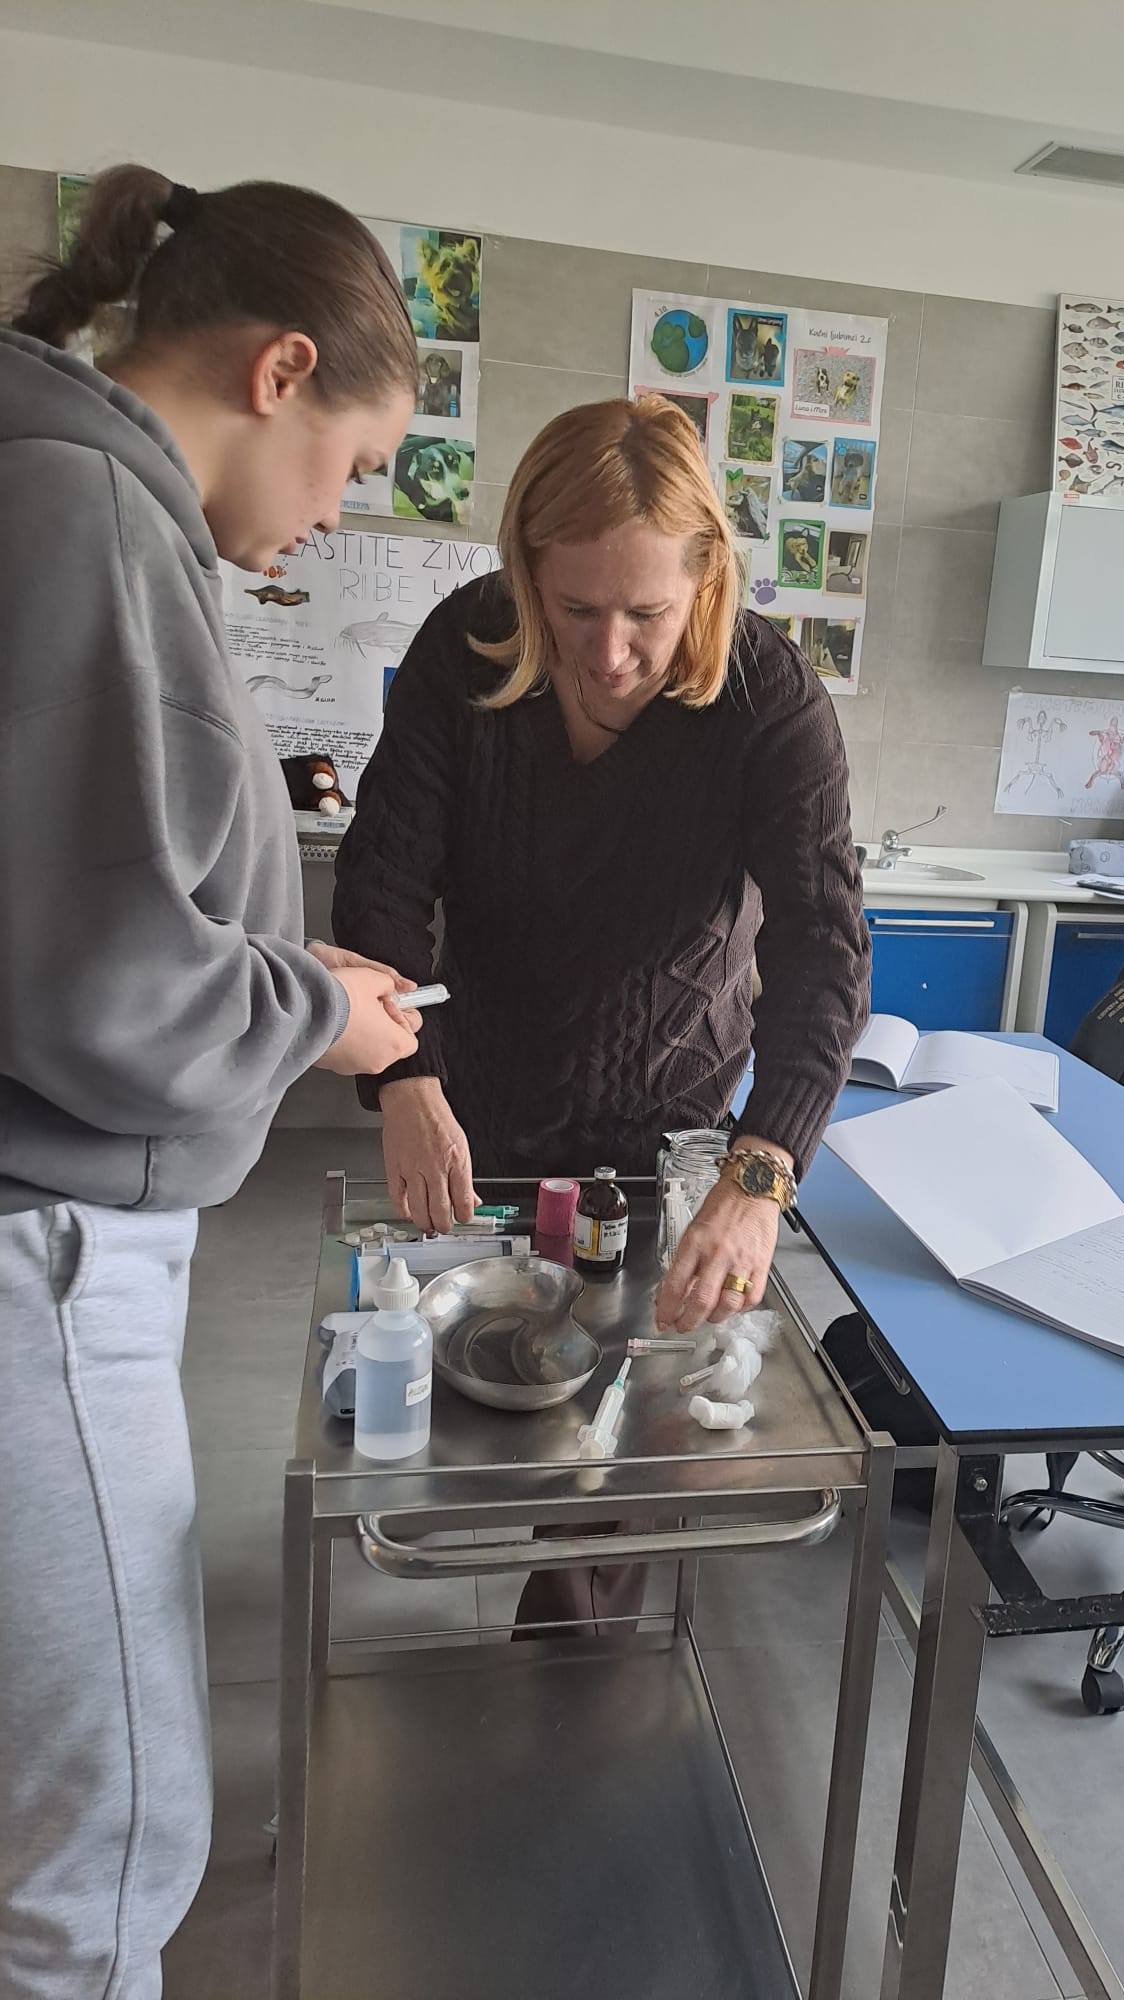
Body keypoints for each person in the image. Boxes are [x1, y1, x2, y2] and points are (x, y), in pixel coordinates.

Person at [0, 165, 426, 1999]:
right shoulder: (87, 507)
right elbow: (93, 979)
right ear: (281, 370)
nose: (330, 515)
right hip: (42, 1253)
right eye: (351, 465)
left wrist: (290, 981)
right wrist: (315, 1012)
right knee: (108, 1839)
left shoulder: (65, 491)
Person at [332, 394, 871, 1625]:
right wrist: (404, 1076)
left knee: (619, 1440)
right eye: (576, 610)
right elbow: (385, 879)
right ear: (525, 569)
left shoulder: (769, 699)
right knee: (495, 1374)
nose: (612, 651)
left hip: (665, 1113)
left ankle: (574, 1649)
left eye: (648, 614)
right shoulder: (468, 649)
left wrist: (761, 1169)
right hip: (478, 1096)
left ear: (707, 576)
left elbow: (822, 948)